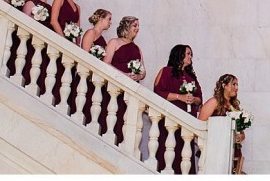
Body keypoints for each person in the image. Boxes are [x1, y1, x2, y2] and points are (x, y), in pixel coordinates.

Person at [153, 44, 203, 173]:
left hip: (187, 122)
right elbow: (158, 92)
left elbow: (199, 98)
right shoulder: (166, 71)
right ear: (179, 54)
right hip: (170, 119)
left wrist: (194, 100)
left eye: (191, 54)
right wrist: (179, 97)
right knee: (169, 150)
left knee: (185, 153)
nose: (190, 56)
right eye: (188, 53)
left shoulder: (191, 77)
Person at [105, 16, 144, 145]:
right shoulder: (114, 42)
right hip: (115, 87)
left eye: (138, 26)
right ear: (126, 27)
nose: (137, 29)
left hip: (130, 91)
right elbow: (106, 63)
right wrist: (123, 75)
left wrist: (138, 76)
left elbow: (143, 71)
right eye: (135, 26)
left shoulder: (137, 48)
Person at [199, 74, 246, 173]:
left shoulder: (235, 107)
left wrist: (240, 136)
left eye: (237, 85)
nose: (236, 88)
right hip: (216, 149)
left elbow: (242, 132)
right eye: (233, 84)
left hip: (232, 150)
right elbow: (199, 126)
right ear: (224, 86)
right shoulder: (213, 102)